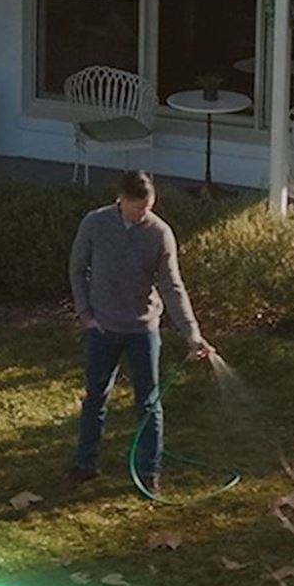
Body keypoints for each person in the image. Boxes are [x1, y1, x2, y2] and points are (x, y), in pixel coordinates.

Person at [66, 170, 215, 495]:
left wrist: (192, 332)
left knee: (148, 403)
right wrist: (85, 314)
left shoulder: (159, 233)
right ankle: (85, 464)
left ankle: (149, 473)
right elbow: (77, 268)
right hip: (102, 328)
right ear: (121, 199)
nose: (142, 213)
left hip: (142, 329)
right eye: (137, 208)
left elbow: (173, 287)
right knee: (95, 398)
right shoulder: (95, 223)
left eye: (147, 207)